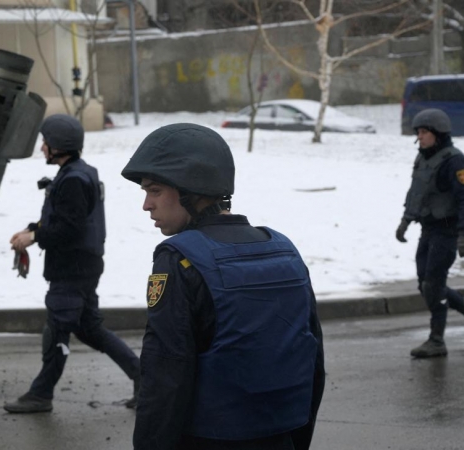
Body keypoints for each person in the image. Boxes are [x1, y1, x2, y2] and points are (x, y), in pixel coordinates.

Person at [121, 123, 325, 450]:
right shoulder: (284, 251)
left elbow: (165, 380)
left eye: (155, 190)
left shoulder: (180, 259)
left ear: (190, 188)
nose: (147, 204)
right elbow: (313, 362)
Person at [5, 114, 140, 413]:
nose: (42, 148)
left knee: (57, 329)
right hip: (82, 265)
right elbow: (64, 219)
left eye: (46, 142)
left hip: (73, 268)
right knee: (90, 329)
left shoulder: (74, 180)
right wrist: (32, 231)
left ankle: (41, 394)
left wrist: (34, 237)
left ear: (59, 146)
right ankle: (143, 376)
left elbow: (70, 228)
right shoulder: (76, 173)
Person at [396, 108, 464, 358]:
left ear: (438, 133)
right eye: (418, 132)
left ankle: (437, 339)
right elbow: (416, 192)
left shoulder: (454, 161)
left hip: (448, 230)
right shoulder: (423, 158)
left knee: (433, 284)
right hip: (428, 228)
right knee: (424, 284)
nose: (420, 137)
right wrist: (405, 221)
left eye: (425, 132)